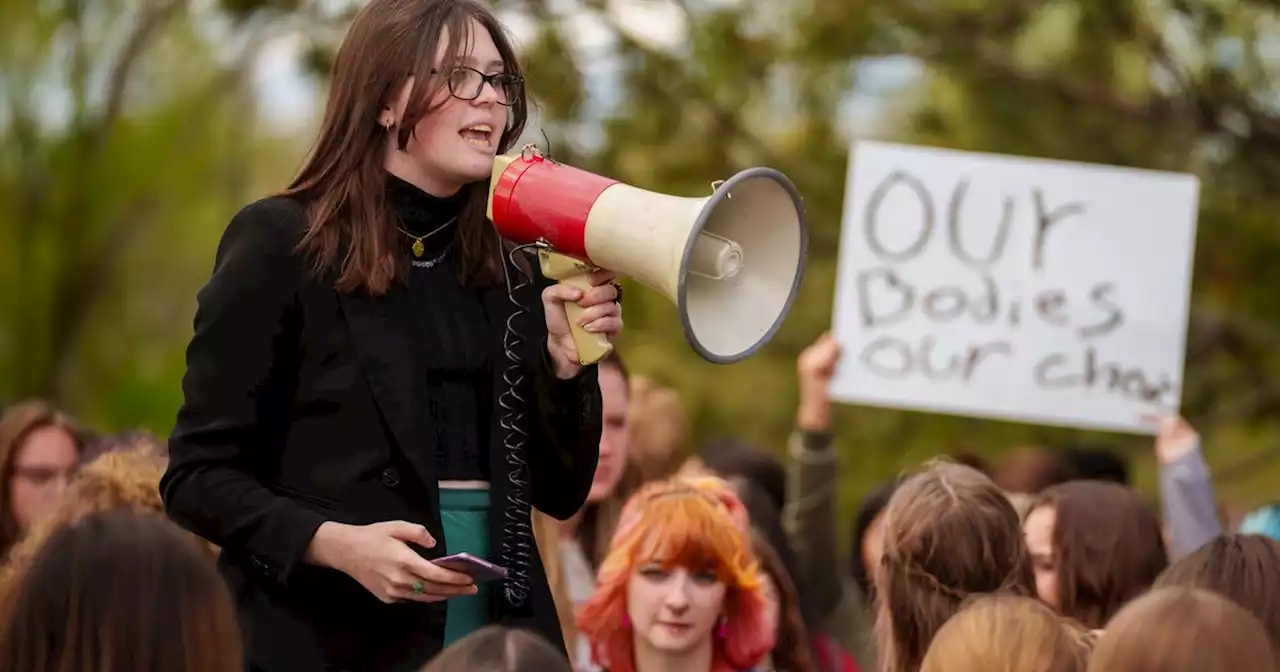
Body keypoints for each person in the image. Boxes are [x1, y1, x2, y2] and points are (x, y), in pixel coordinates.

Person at [158, 0, 623, 670]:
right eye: (462, 76)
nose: (490, 99)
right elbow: (196, 478)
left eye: (498, 80)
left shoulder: (512, 265)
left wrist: (564, 367)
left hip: (497, 640)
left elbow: (559, 491)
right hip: (331, 638)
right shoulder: (281, 245)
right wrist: (333, 543)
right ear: (384, 101)